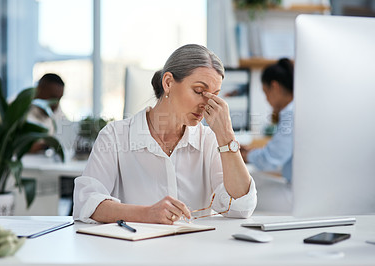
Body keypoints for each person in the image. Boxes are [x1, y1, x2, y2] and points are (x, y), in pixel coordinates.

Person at [73, 44, 257, 224]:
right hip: (133, 251)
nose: (206, 103)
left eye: (214, 95)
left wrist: (227, 136)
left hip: (193, 251)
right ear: (168, 82)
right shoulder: (115, 136)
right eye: (199, 91)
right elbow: (87, 203)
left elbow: (241, 207)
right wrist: (147, 214)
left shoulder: (209, 140)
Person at [240, 58, 294, 213]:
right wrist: (250, 153)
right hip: (307, 189)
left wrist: (246, 156)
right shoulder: (298, 108)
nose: (267, 100)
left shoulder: (291, 113)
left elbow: (272, 159)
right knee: (256, 180)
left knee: (244, 195)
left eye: (265, 93)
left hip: (300, 196)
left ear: (274, 86)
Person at [27, 73, 67, 153]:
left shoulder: (57, 112)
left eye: (59, 99)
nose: (56, 104)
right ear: (38, 89)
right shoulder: (18, 108)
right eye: (53, 97)